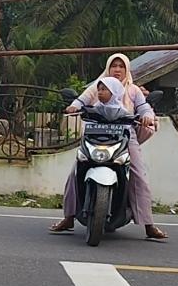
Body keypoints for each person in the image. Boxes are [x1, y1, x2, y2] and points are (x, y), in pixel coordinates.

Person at [50, 53, 168, 240]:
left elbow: (144, 107)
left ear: (127, 69)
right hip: (95, 136)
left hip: (124, 137)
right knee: (75, 172)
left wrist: (147, 116)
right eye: (114, 66)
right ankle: (69, 217)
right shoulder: (98, 87)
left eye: (121, 66)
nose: (117, 69)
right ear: (108, 68)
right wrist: (73, 106)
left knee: (139, 176)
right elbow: (81, 100)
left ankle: (148, 224)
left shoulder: (134, 90)